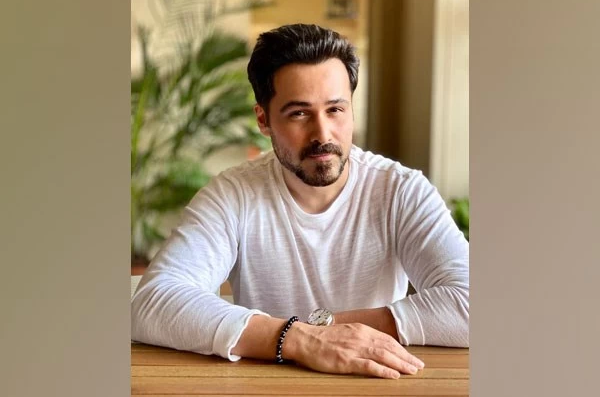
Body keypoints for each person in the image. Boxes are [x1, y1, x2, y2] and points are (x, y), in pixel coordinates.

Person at [131, 23, 469, 380]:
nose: (322, 134)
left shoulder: (400, 190)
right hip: (264, 386)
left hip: (378, 381)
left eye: (335, 110)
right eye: (299, 113)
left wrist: (328, 330)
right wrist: (300, 340)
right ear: (264, 120)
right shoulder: (233, 195)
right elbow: (154, 301)